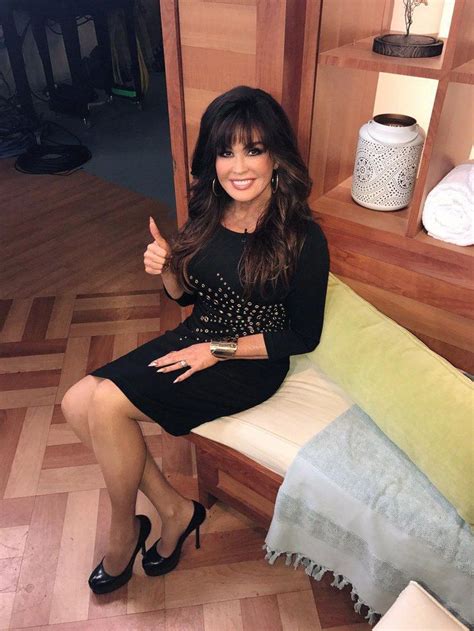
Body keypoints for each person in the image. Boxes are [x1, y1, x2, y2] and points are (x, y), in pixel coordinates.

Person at [61, 85, 330, 595]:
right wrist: (166, 268)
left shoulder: (302, 236)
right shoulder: (209, 210)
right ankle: (174, 509)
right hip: (197, 335)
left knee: (107, 404)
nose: (238, 167)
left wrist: (216, 351)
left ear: (276, 157)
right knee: (77, 401)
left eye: (253, 150)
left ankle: (123, 532)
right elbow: (187, 297)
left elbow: (302, 335)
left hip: (249, 362)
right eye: (225, 152)